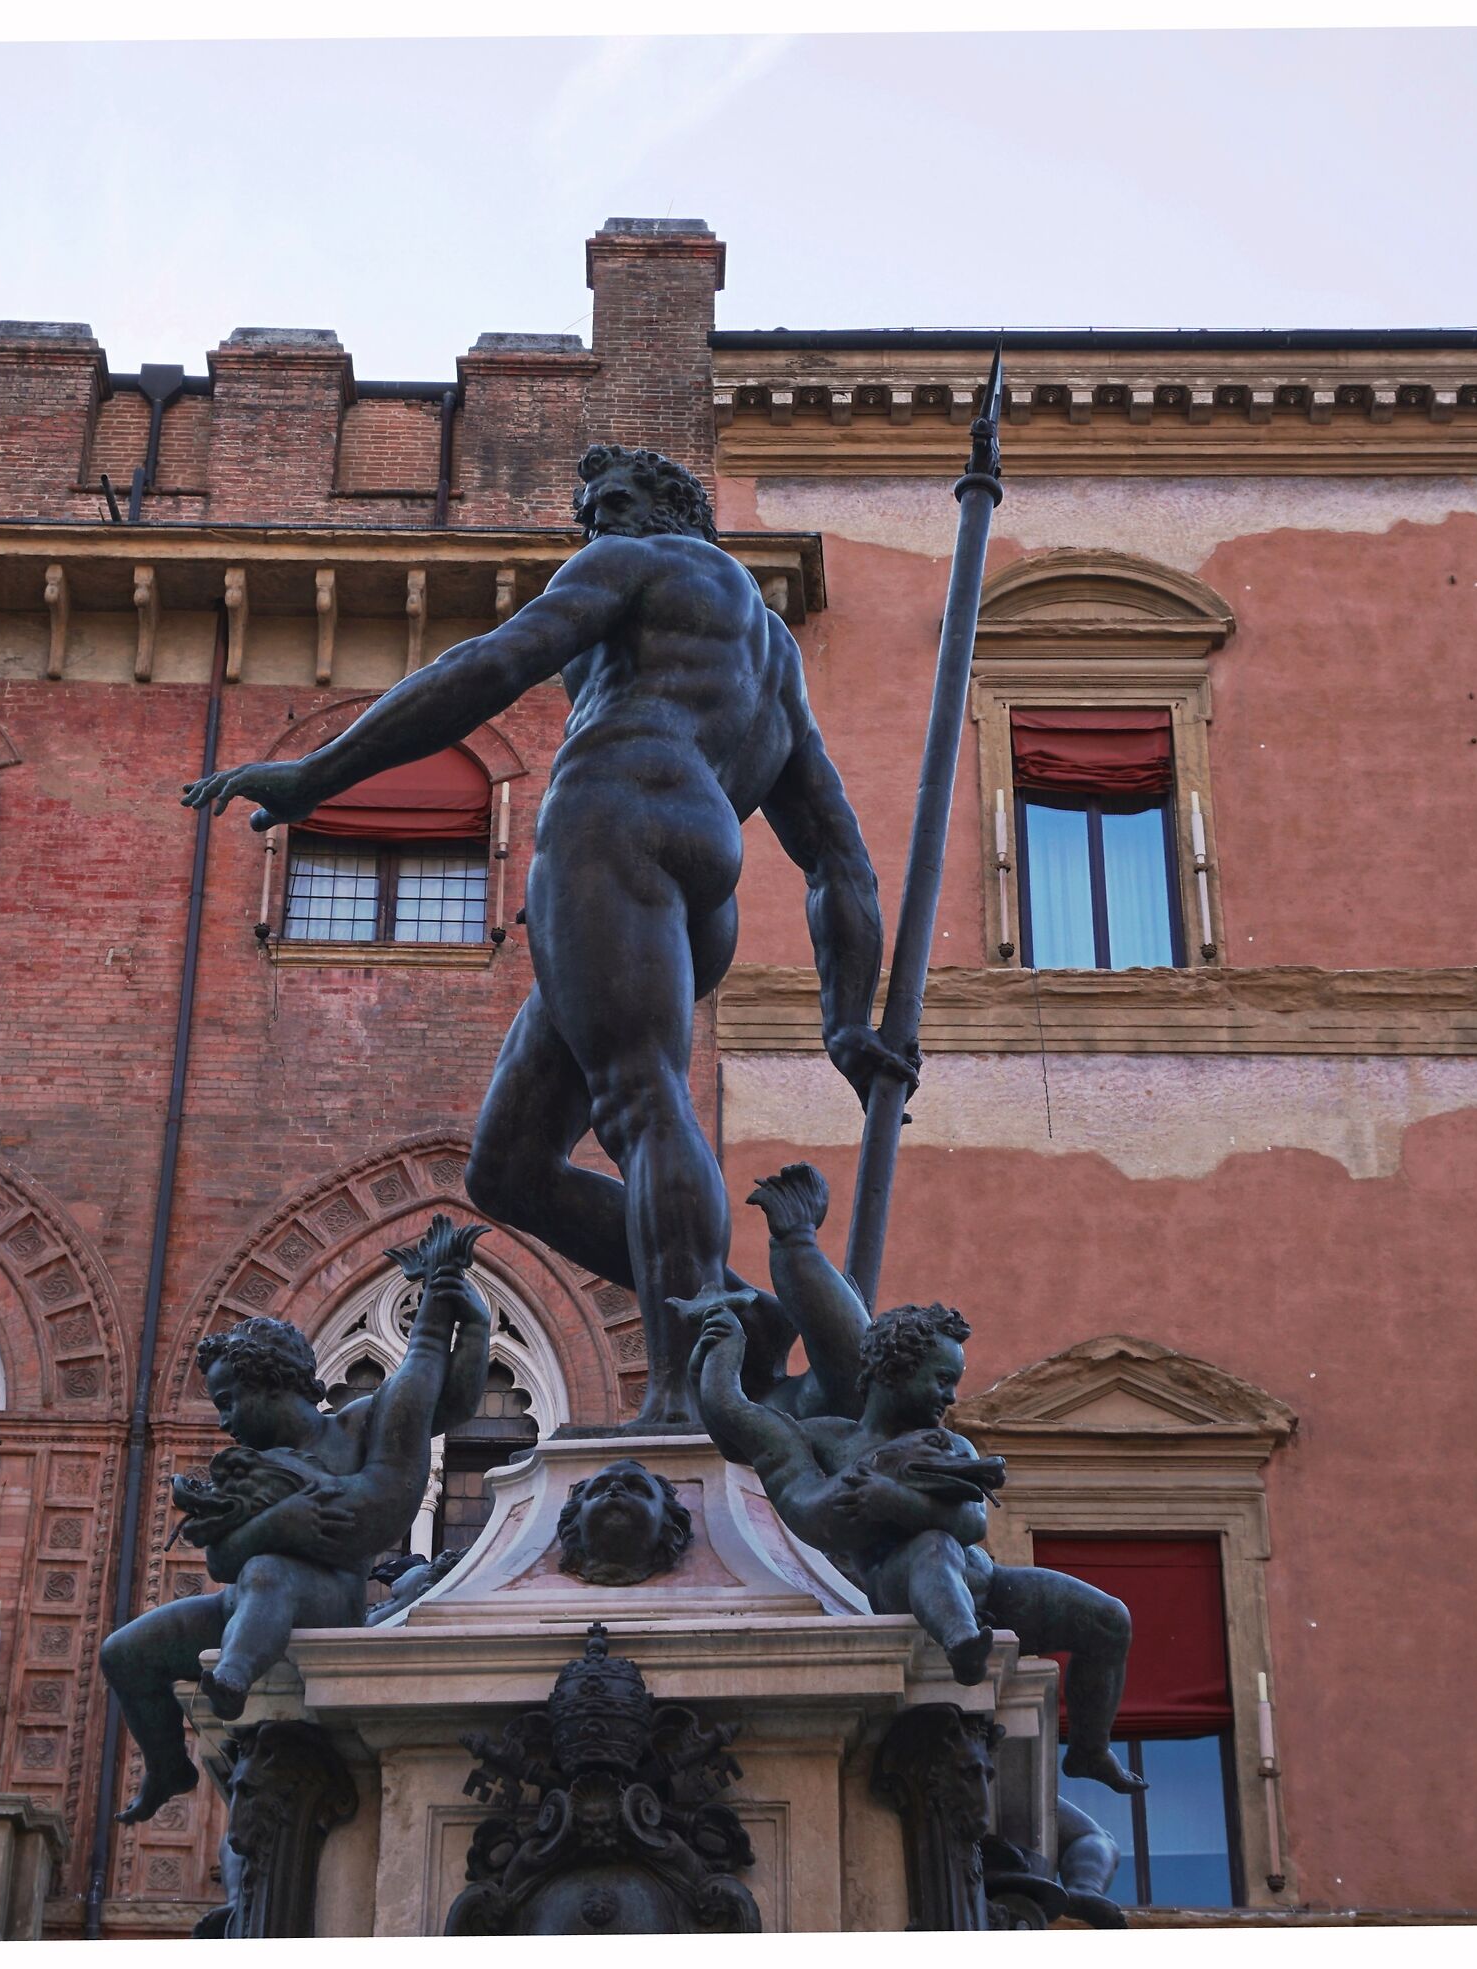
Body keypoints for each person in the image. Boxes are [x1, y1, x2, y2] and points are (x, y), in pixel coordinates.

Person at [183, 444, 911, 1426]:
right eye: (587, 511)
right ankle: (743, 1311)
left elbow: (490, 663)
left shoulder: (637, 560)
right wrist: (847, 1019)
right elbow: (838, 857)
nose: (593, 523)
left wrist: (321, 773)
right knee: (509, 1167)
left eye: (611, 503)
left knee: (642, 1101)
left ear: (669, 508)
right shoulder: (772, 657)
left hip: (612, 821)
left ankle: (682, 1391)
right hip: (703, 875)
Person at [100, 1217, 491, 1822]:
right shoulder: (250, 1469)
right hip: (245, 1604)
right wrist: (281, 1524)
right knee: (124, 1652)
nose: (224, 1420)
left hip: (330, 1600)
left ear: (269, 1384)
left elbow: (450, 1400)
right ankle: (168, 1766)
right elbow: (220, 1560)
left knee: (268, 1573)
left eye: (229, 1401)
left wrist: (475, 1329)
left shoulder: (357, 1426)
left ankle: (233, 1676)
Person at [690, 1295, 1144, 1794]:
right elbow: (739, 1434)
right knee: (933, 1546)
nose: (951, 1396)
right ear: (895, 1370)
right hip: (898, 1581)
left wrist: (893, 1499)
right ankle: (961, 1642)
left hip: (984, 1584)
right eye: (942, 1379)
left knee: (1109, 1620)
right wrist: (715, 1353)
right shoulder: (830, 1440)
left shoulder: (950, 1445)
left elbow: (972, 1523)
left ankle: (1088, 1750)